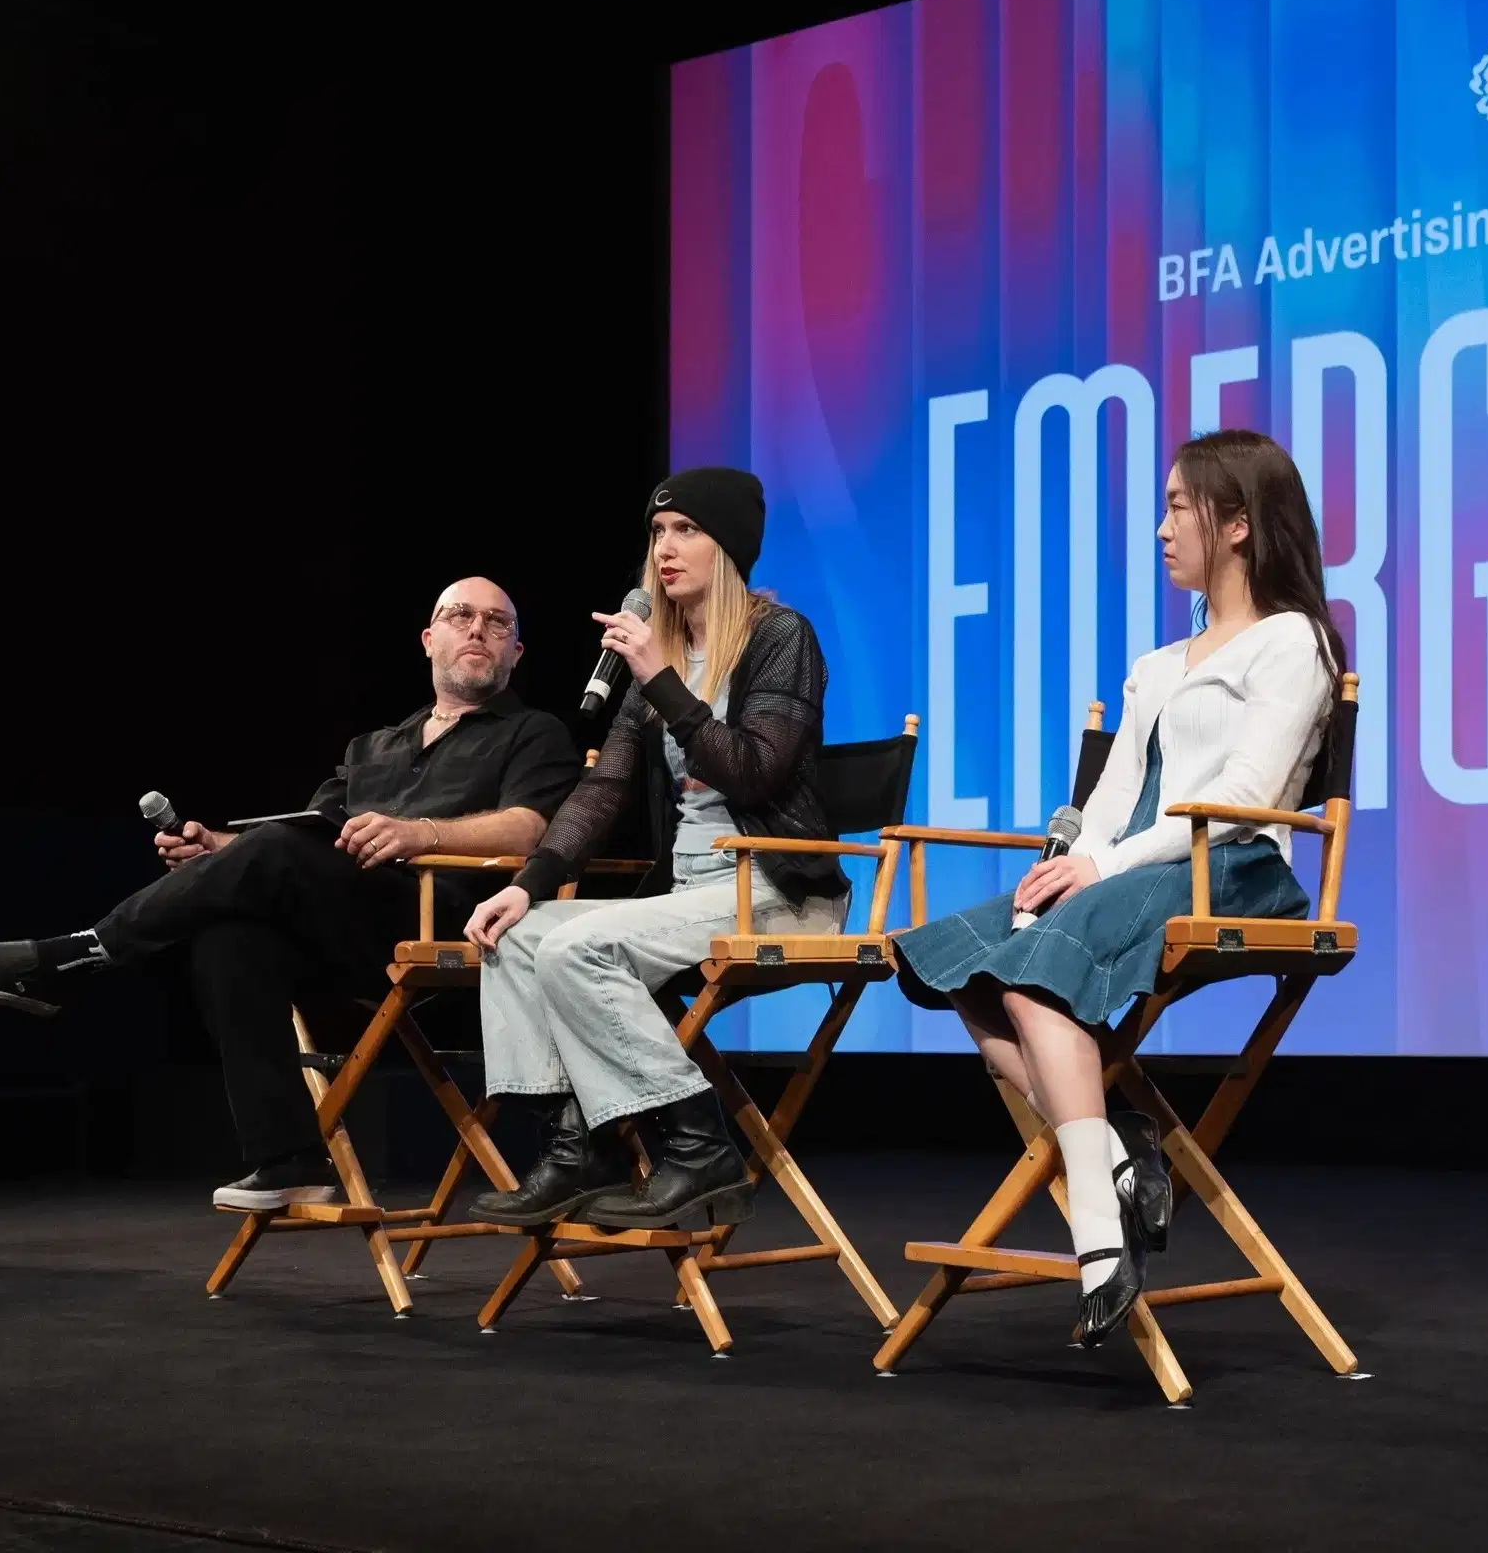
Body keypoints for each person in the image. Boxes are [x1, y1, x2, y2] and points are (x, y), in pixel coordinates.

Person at [0, 579, 580, 1214]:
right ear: (428, 638)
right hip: (347, 925)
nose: (477, 630)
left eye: (497, 624)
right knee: (229, 937)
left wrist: (419, 832)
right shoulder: (373, 745)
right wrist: (216, 850)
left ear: (515, 653)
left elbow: (531, 831)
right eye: (461, 616)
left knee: (266, 858)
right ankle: (291, 1156)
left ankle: (72, 959)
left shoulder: (533, 733)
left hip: (443, 922)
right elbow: (303, 839)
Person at [892, 428, 1342, 1347]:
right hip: (1135, 866)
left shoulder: (1290, 643)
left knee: (1037, 976)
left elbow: (1245, 799)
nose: (1163, 527)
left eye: (1180, 506)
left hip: (1231, 869)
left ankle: (1098, 1234)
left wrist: (1104, 865)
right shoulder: (1155, 665)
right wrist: (1076, 863)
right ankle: (1124, 1137)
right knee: (962, 959)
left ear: (1240, 526)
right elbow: (1104, 801)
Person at [459, 466, 847, 1235]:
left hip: (774, 890)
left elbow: (754, 768)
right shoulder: (658, 653)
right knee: (518, 936)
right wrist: (529, 884)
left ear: (729, 548)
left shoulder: (779, 639)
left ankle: (700, 1146)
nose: (664, 549)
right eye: (657, 533)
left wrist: (662, 681)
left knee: (575, 951)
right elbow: (601, 793)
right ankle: (581, 1147)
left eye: (686, 531)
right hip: (689, 893)